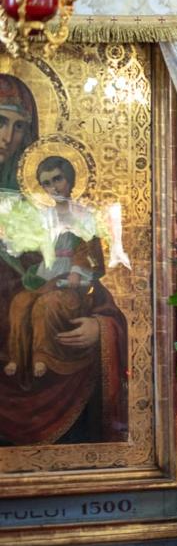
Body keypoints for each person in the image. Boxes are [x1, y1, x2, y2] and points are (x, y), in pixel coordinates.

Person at [5, 156, 103, 381]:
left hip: (71, 282)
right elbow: (29, 245)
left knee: (46, 305)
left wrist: (77, 272)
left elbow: (91, 254)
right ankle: (18, 356)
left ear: (69, 178)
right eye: (46, 183)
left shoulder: (85, 216)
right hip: (45, 274)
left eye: (57, 179)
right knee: (20, 303)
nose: (53, 187)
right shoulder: (43, 217)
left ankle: (43, 356)